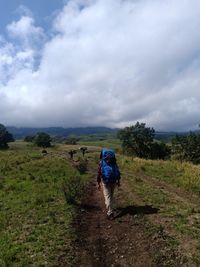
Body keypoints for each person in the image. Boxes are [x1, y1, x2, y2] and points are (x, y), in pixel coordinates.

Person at [97, 148, 121, 219]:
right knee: (111, 196)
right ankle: (110, 207)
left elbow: (99, 173)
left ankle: (110, 212)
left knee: (107, 197)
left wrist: (98, 183)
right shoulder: (114, 163)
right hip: (113, 181)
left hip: (105, 182)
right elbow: (118, 172)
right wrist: (118, 181)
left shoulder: (101, 162)